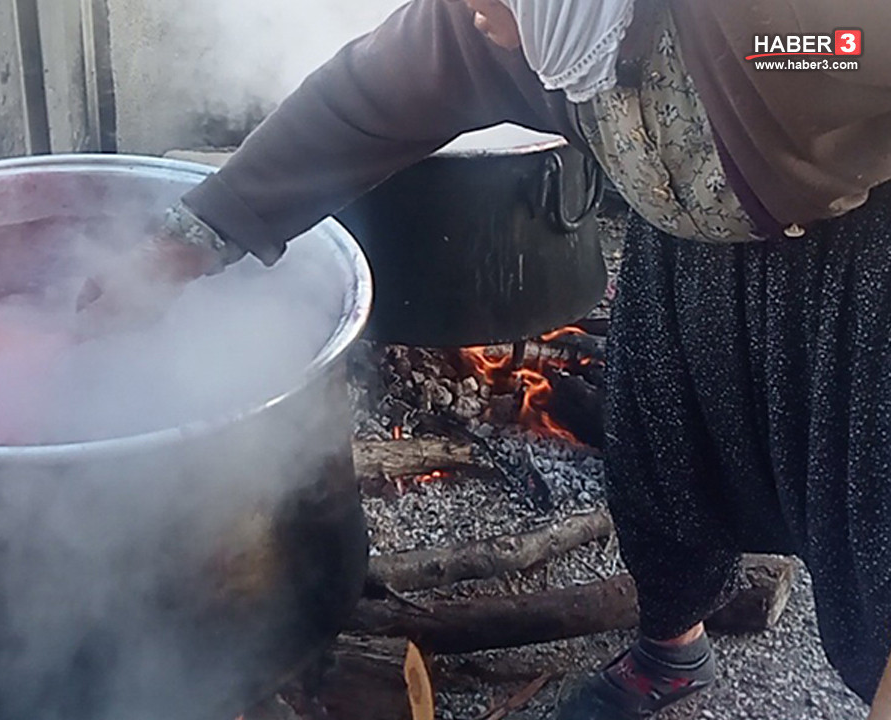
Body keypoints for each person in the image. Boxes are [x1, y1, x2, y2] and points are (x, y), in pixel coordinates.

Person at [80, 1, 891, 717]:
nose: (467, 14)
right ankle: (672, 649)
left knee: (871, 522)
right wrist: (184, 244)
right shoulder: (528, 24)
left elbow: (851, 45)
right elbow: (359, 102)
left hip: (856, 267)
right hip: (684, 253)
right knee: (663, 464)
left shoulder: (794, 27)